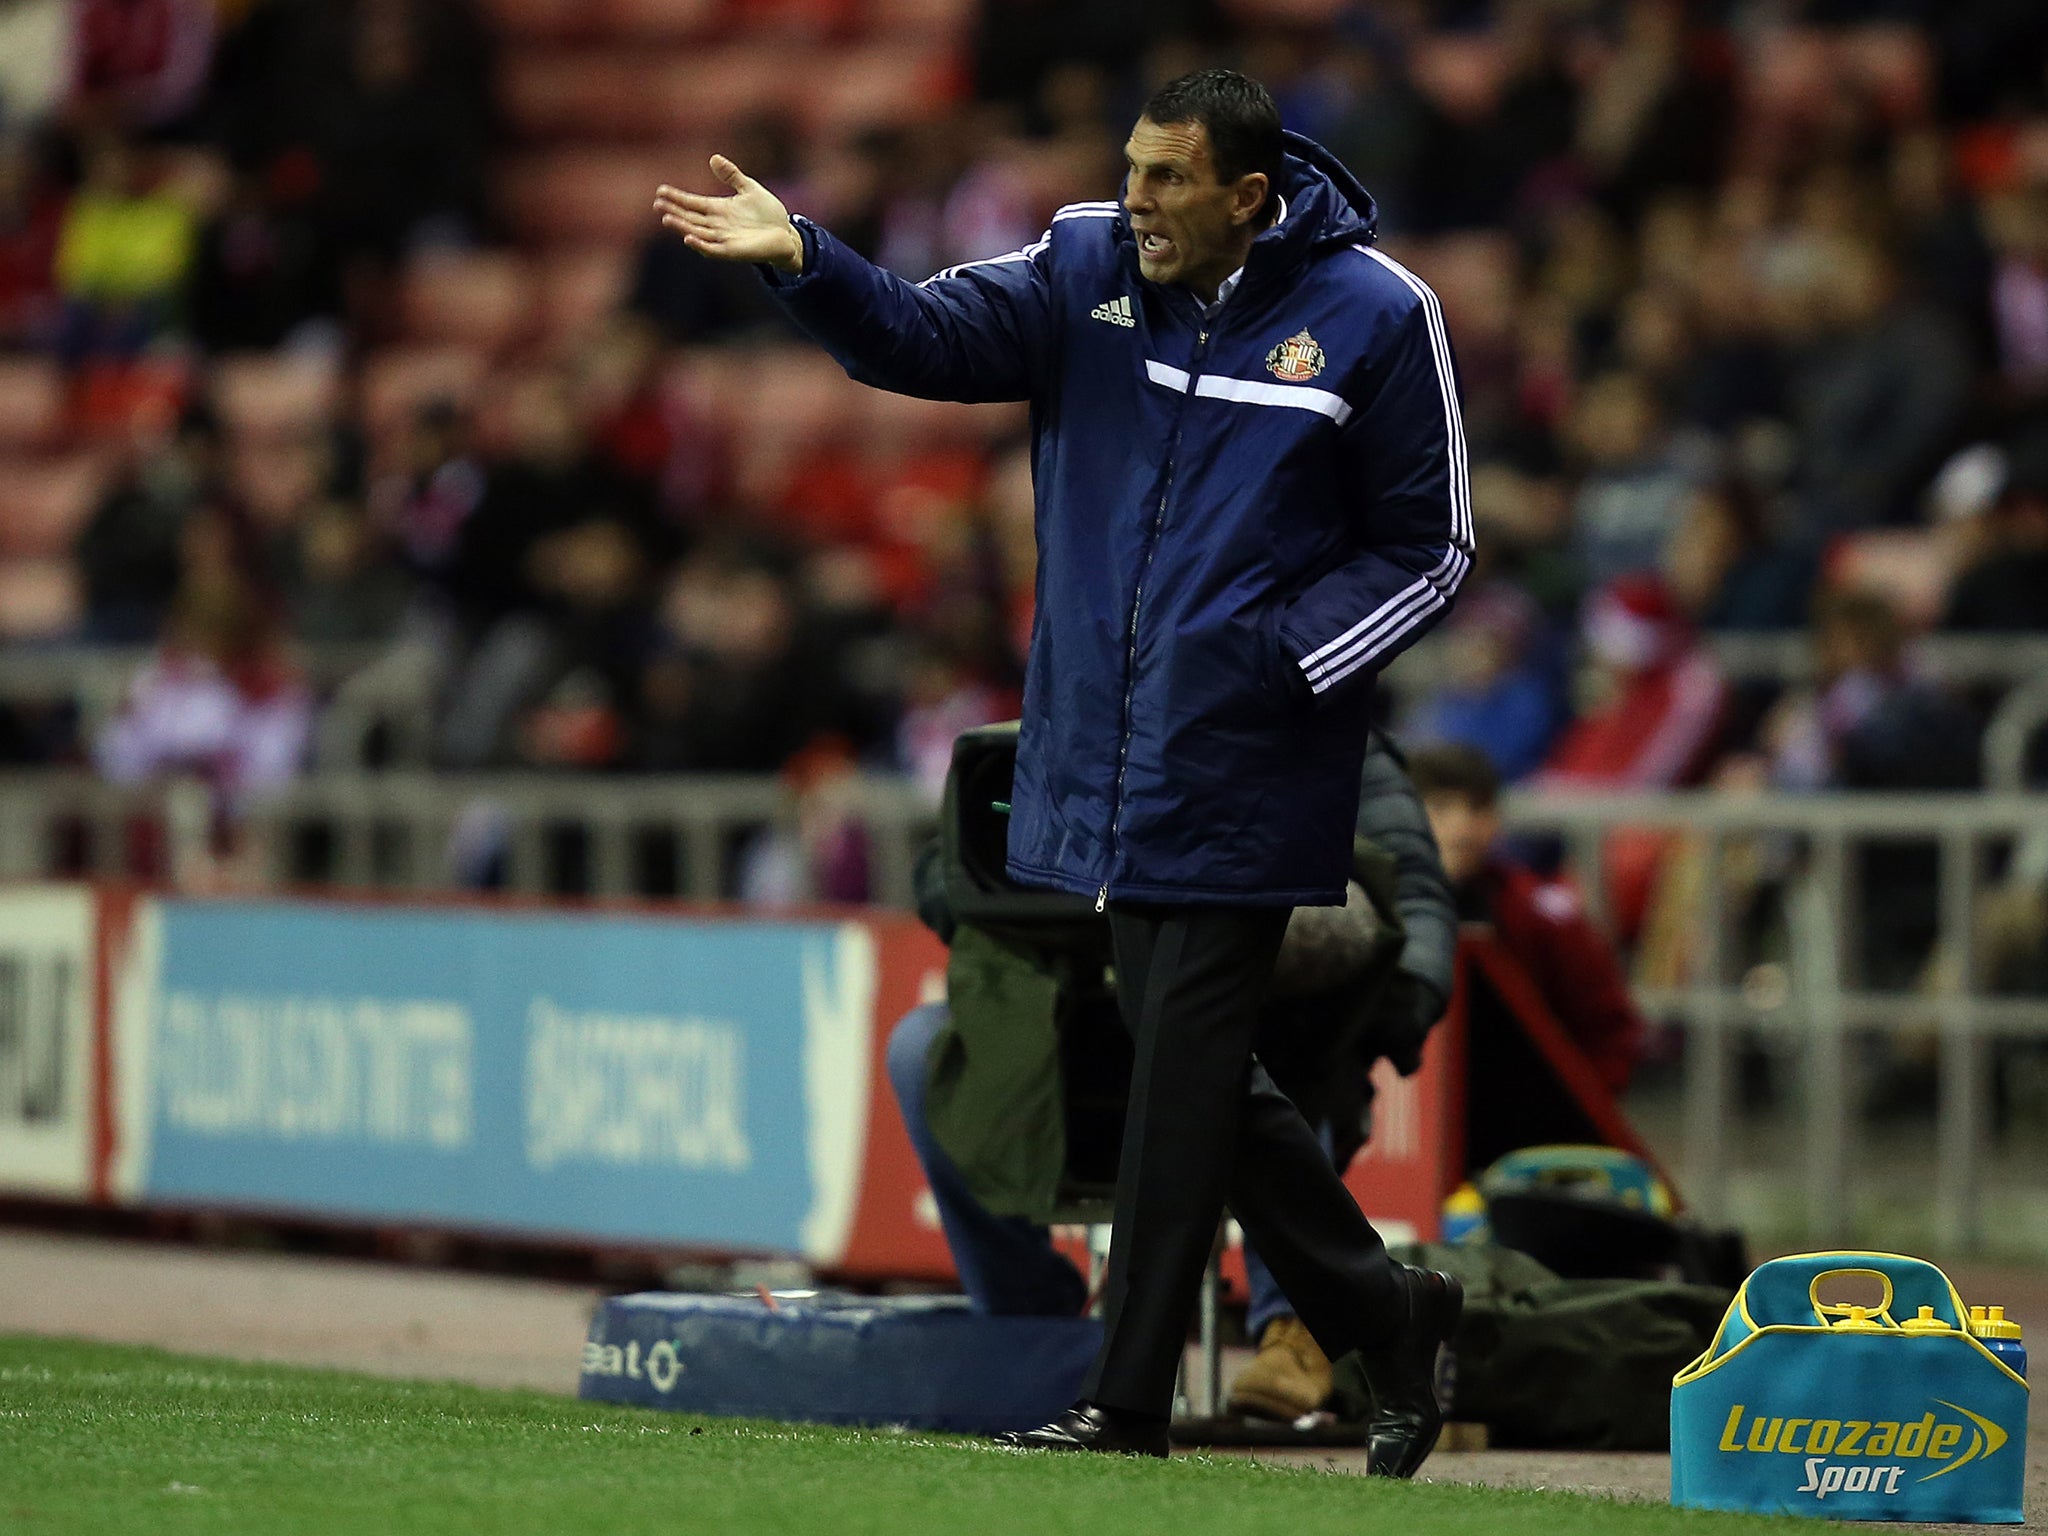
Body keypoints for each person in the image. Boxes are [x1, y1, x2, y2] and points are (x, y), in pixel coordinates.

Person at [655, 68, 1472, 1471]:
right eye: (1133, 169)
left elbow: (1432, 547)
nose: (1133, 199)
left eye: (1167, 179)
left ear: (1248, 196)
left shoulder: (1381, 318)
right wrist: (808, 258)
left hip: (1245, 768)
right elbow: (919, 337)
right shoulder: (1084, 261)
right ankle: (1390, 1312)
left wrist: (1277, 668)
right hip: (1102, 754)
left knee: (1178, 1089)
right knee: (1195, 1075)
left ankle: (1129, 1406)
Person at [887, 730, 1457, 1423]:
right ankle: (1032, 1324)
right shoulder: (1068, 725)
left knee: (1300, 1049)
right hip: (1068, 1040)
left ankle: (1300, 1328)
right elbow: (953, 859)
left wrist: (1394, 1012)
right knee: (921, 1049)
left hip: (1265, 1024)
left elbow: (1415, 893)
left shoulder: (1338, 735)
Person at [1408, 744, 1645, 1094]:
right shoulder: (1364, 910)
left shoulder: (1544, 917)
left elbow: (1606, 1029)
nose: (1462, 828)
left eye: (1478, 808)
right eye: (1440, 808)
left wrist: (1575, 1105)